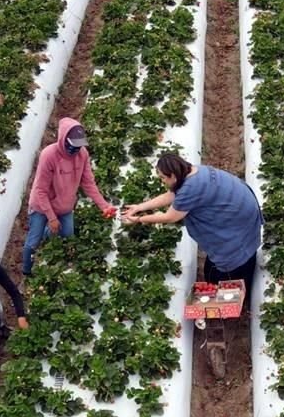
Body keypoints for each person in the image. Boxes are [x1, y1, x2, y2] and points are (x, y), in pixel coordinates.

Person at [121, 153, 263, 304]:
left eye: (163, 177)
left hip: (238, 223)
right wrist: (139, 207)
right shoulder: (192, 172)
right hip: (242, 211)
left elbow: (170, 217)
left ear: (173, 176)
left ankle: (233, 302)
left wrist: (138, 219)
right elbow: (170, 196)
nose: (162, 181)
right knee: (237, 257)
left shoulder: (190, 188)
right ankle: (235, 292)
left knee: (230, 266)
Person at [23, 117, 117, 275]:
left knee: (67, 235)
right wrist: (52, 218)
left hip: (65, 206)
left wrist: (104, 206)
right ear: (63, 139)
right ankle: (27, 270)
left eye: (79, 146)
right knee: (33, 242)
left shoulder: (82, 155)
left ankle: (49, 233)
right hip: (41, 206)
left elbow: (88, 183)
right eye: (73, 146)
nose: (76, 150)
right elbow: (40, 191)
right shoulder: (49, 155)